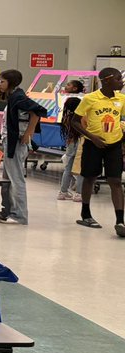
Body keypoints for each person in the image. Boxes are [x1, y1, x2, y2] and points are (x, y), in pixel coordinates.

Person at [70, 67, 125, 235]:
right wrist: (92, 137)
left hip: (114, 144)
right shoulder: (90, 98)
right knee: (89, 177)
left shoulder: (122, 99)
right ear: (107, 80)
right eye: (118, 79)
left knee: (115, 181)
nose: (122, 82)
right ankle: (85, 213)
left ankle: (120, 221)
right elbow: (75, 121)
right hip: (93, 145)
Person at [0, 69, 46, 226]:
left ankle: (19, 215)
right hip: (9, 140)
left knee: (16, 179)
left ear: (11, 82)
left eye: (1, 81)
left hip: (16, 142)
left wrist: (29, 133)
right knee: (7, 178)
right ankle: (7, 210)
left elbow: (37, 111)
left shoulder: (19, 96)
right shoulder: (13, 96)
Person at [58, 80, 87, 201]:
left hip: (70, 141)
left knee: (68, 168)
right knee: (80, 168)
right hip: (81, 141)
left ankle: (63, 192)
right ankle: (79, 194)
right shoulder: (81, 118)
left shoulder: (66, 117)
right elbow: (86, 128)